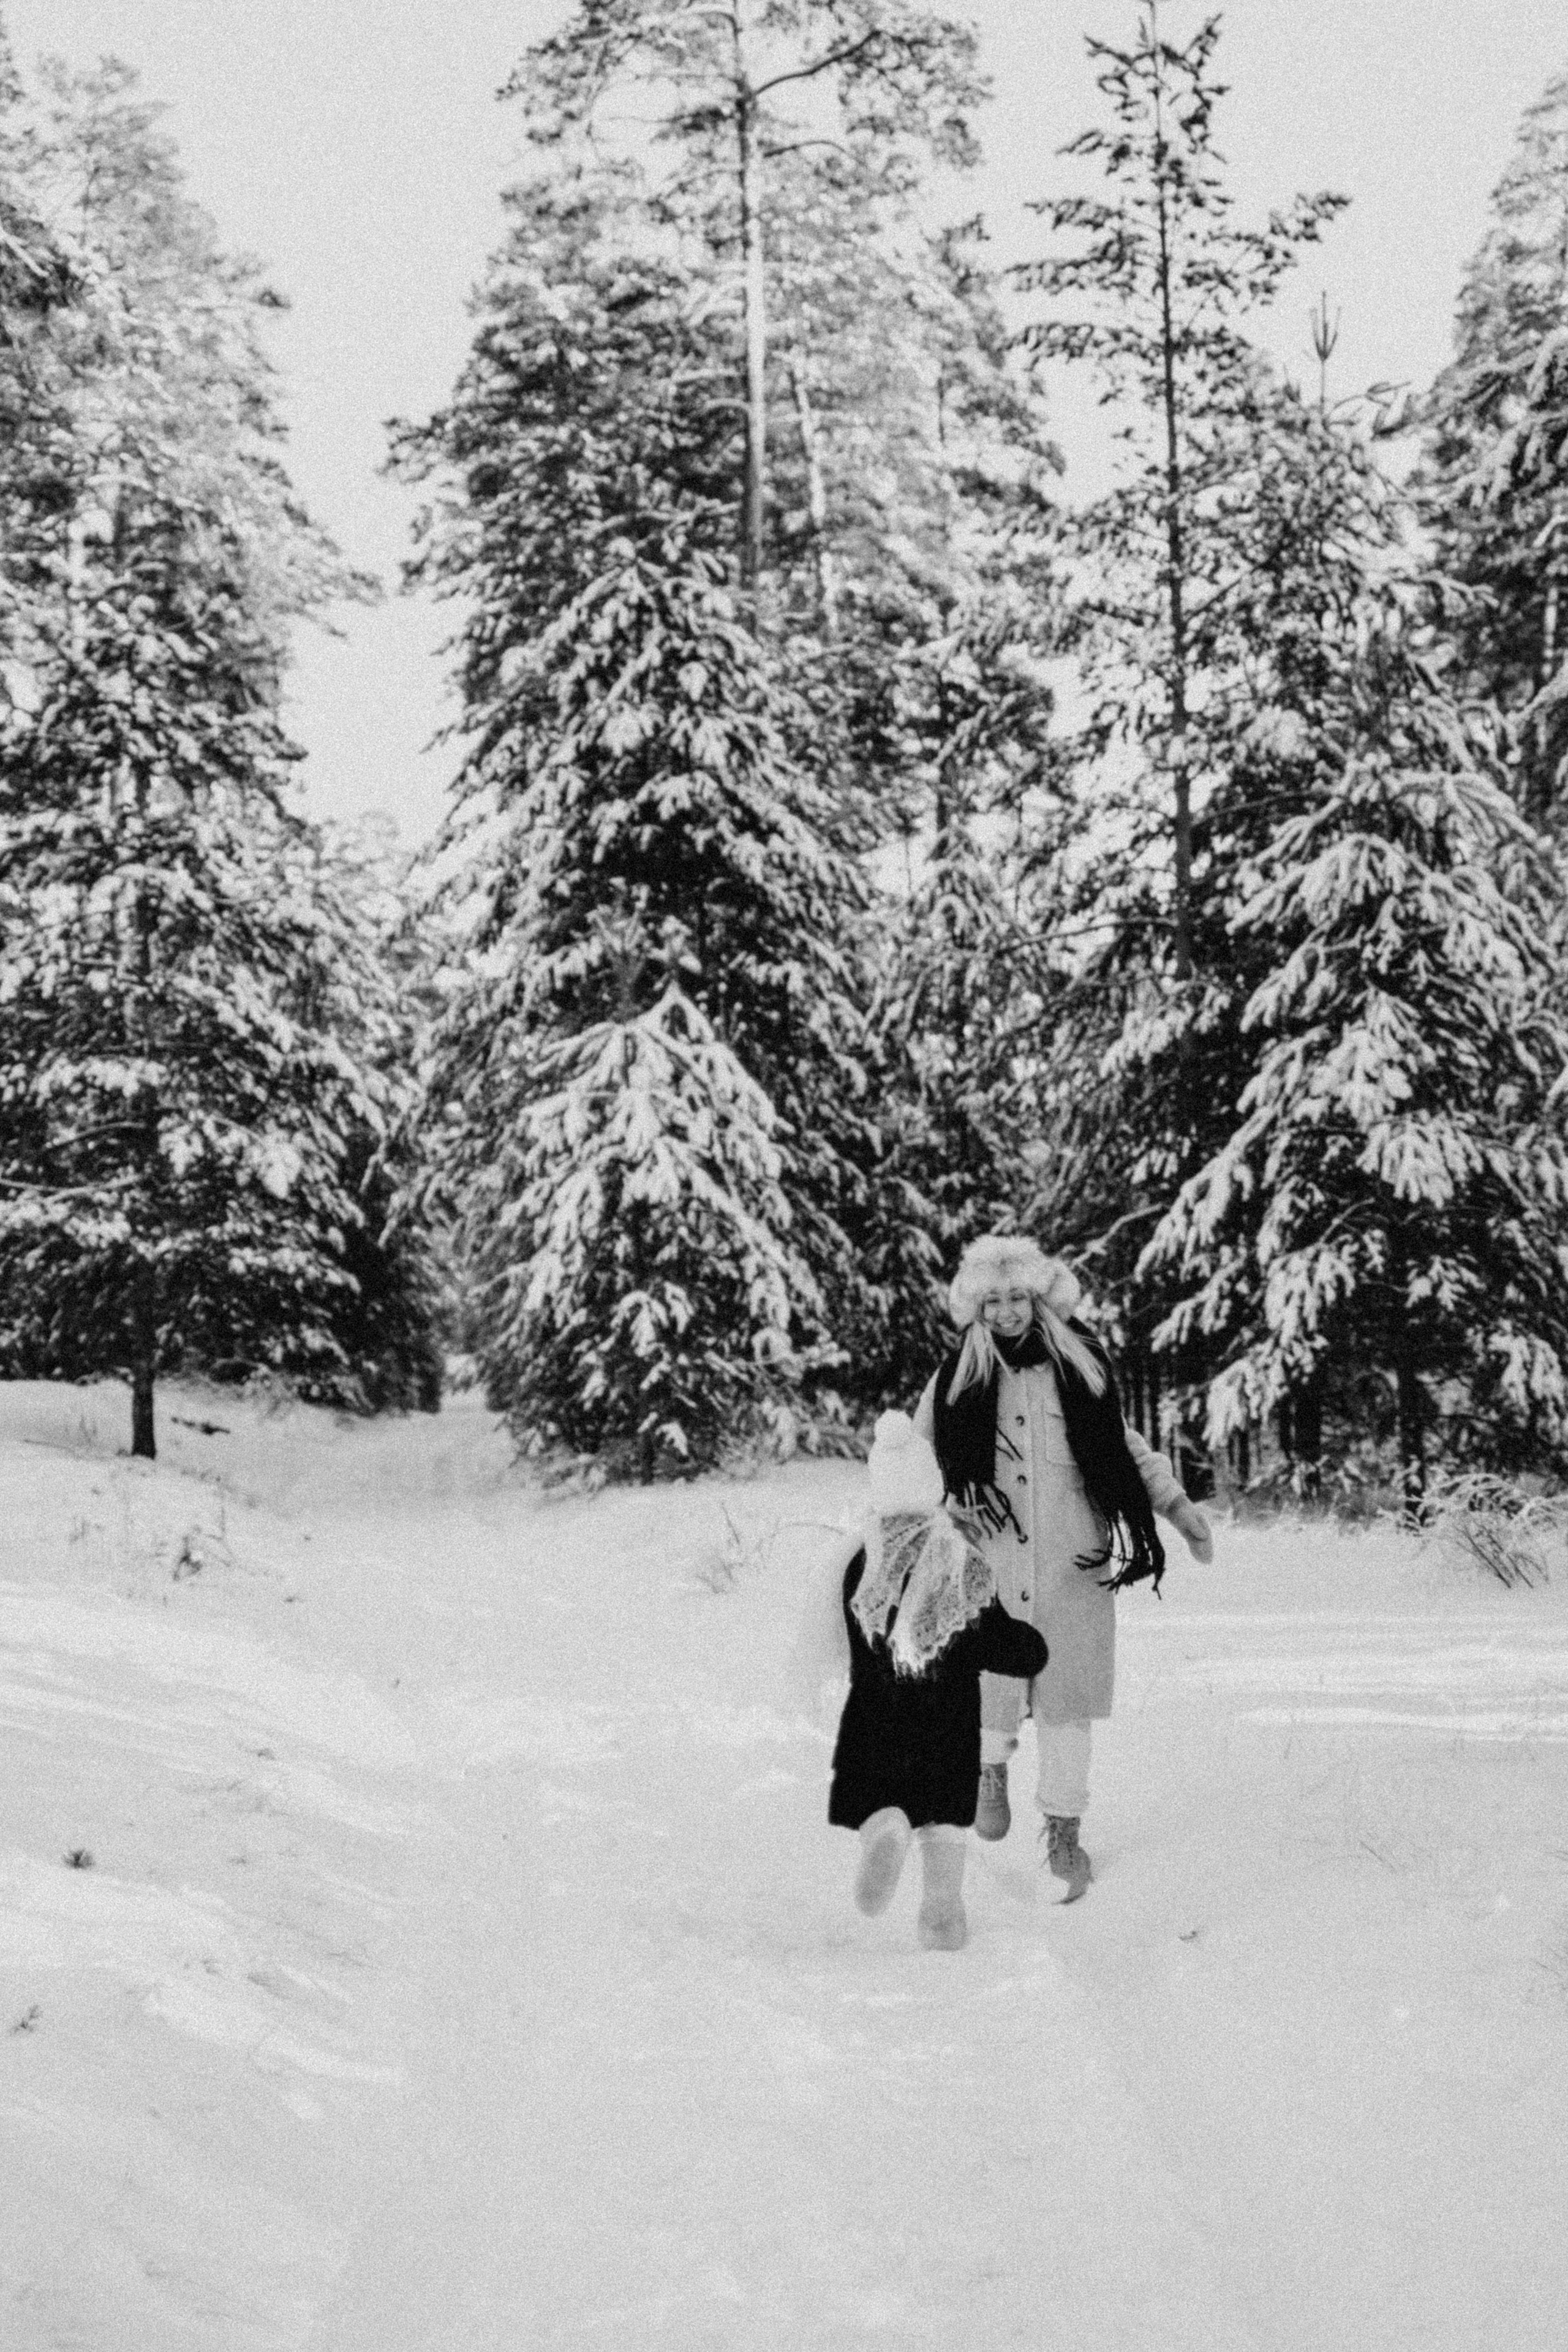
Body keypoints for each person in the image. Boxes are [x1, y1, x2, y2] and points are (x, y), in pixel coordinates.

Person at [912, 1235, 1214, 1903]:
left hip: (1074, 1561)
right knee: (989, 1683)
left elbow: (1123, 1447)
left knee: (1066, 1701)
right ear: (975, 1305)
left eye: (1017, 1297)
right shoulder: (955, 1376)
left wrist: (1176, 1507)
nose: (1007, 1312)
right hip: (986, 1562)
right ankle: (989, 1771)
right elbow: (913, 1458)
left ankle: (1064, 1831)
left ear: (1041, 1298)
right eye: (992, 1301)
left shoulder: (1080, 1368)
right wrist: (938, 1509)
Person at [818, 1411, 1047, 1950]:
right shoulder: (960, 1560)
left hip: (876, 1718)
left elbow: (850, 1644)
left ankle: (884, 1829)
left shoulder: (859, 1562)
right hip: (949, 1723)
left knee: (874, 1797)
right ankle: (942, 1913)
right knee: (944, 1820)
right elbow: (992, 1639)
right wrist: (1030, 1649)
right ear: (933, 1485)